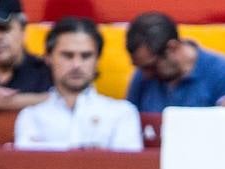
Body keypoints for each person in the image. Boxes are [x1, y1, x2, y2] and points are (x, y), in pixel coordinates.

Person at [15, 17, 142, 152]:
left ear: (97, 60)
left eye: (86, 56)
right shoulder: (32, 116)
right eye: (68, 55)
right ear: (48, 58)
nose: (77, 65)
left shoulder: (122, 113)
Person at [125, 11, 225, 113]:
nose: (146, 74)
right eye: (141, 68)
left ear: (172, 48)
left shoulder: (223, 75)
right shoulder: (142, 76)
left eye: (151, 66)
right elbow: (129, 124)